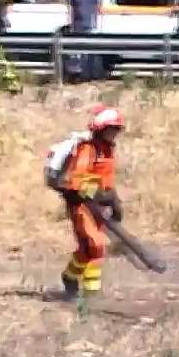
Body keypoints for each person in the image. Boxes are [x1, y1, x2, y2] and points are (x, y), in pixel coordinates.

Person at [47, 105, 126, 299]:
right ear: (100, 129)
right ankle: (91, 294)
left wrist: (114, 200)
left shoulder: (107, 150)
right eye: (111, 128)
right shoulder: (88, 150)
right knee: (96, 244)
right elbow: (75, 180)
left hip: (98, 206)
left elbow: (105, 179)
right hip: (82, 205)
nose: (115, 133)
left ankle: (70, 277)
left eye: (117, 129)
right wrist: (98, 194)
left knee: (86, 248)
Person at [66, 0, 104, 82]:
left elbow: (98, 6)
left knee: (90, 52)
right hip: (77, 26)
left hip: (90, 25)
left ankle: (92, 75)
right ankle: (79, 75)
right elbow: (71, 8)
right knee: (77, 53)